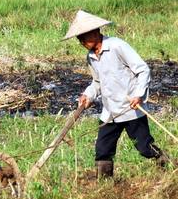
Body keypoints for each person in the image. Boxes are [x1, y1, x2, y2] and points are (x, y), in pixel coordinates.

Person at [64, 10, 166, 178]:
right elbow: (97, 82)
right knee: (103, 151)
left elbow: (142, 69)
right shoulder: (91, 57)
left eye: (84, 36)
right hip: (110, 112)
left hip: (131, 109)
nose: (82, 41)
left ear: (96, 32)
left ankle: (168, 165)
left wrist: (138, 95)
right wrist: (88, 95)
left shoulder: (117, 46)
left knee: (145, 147)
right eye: (79, 38)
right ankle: (104, 184)